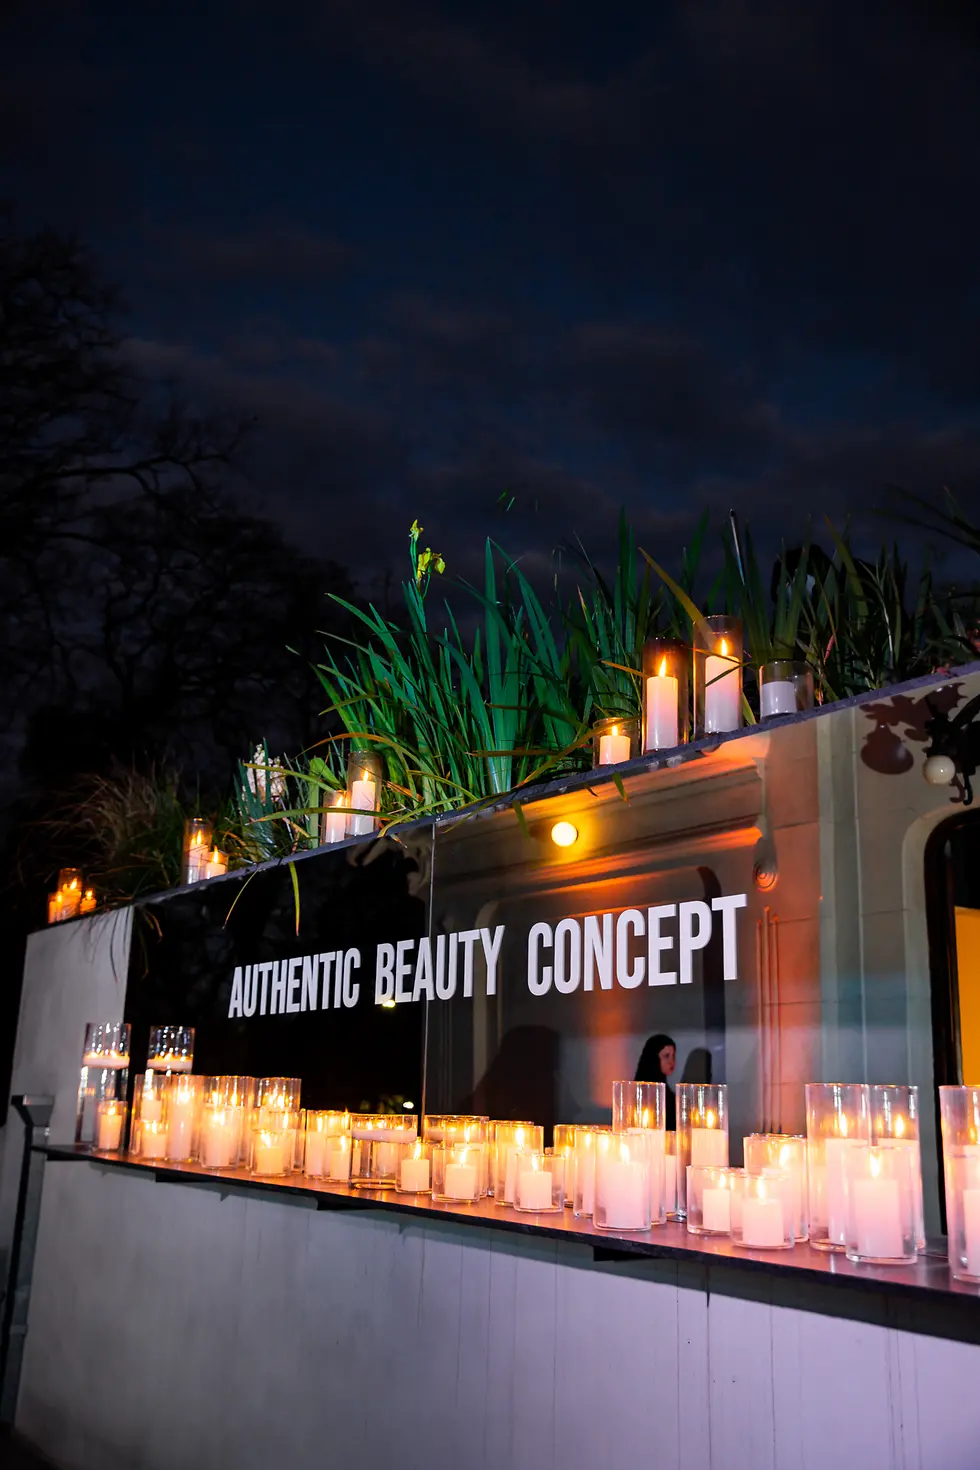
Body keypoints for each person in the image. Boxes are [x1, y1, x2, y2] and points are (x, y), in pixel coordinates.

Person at [634, 1032, 676, 1130]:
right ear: (654, 1058)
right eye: (666, 1056)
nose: (671, 1062)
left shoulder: (669, 1095)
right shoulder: (639, 1093)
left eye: (673, 1056)